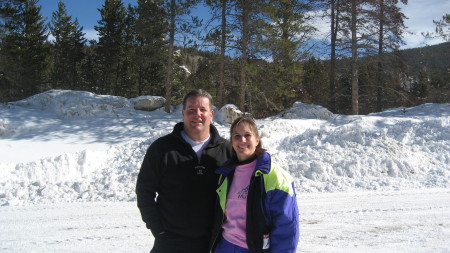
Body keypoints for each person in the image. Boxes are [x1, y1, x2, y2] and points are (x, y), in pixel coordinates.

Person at [136, 89, 232, 253]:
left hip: (214, 243)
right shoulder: (162, 148)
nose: (197, 115)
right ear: (183, 113)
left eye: (203, 110)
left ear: (211, 114)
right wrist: (157, 229)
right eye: (191, 110)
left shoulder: (227, 151)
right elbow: (144, 191)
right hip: (170, 243)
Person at [210, 116, 300, 253]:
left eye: (247, 135)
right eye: (237, 136)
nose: (242, 140)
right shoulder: (225, 174)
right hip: (225, 247)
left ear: (257, 140)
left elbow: (286, 227)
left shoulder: (275, 177)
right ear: (231, 141)